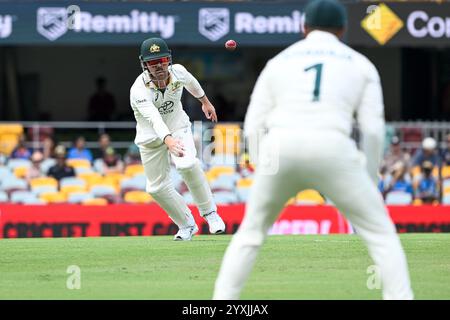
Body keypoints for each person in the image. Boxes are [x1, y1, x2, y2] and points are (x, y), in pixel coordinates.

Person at [213, 0, 413, 300]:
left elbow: (253, 126)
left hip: (280, 149)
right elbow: (373, 131)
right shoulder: (360, 64)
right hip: (334, 149)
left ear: (303, 28)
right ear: (343, 30)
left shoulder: (279, 62)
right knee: (382, 235)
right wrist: (369, 177)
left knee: (250, 235)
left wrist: (260, 168)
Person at [129, 37, 226, 240]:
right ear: (145, 64)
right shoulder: (138, 90)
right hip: (151, 137)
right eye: (153, 63)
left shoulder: (178, 71)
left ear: (168, 60)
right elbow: (154, 119)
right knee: (155, 188)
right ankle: (187, 225)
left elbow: (192, 82)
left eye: (162, 61)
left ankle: (211, 214)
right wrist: (168, 140)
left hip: (178, 127)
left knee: (187, 164)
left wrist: (205, 102)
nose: (159, 66)